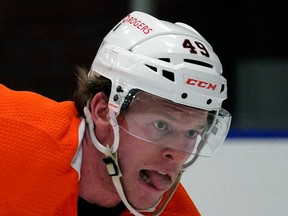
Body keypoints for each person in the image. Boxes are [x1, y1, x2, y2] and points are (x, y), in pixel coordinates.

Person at [0, 11, 231, 216]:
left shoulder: (177, 212)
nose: (178, 155)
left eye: (192, 132)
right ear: (102, 112)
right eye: (161, 125)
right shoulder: (9, 130)